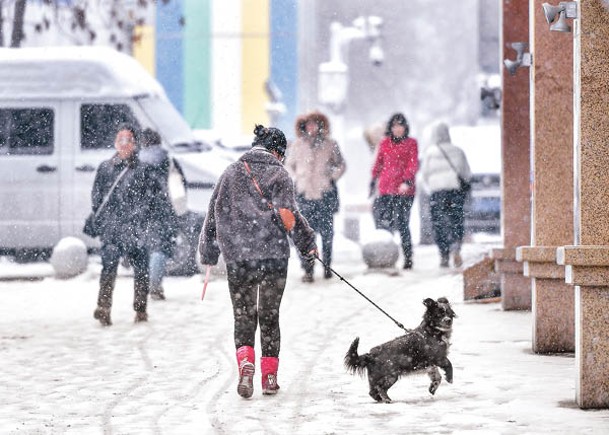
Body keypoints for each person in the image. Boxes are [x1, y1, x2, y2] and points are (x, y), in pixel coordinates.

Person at [199, 124, 317, 399]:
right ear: (277, 151)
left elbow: (213, 213)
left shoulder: (230, 173)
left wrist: (208, 252)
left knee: (243, 315)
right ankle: (270, 377)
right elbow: (288, 214)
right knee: (269, 316)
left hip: (239, 257)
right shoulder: (279, 173)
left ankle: (246, 364)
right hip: (273, 257)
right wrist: (307, 243)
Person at [91, 124, 159, 326]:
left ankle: (140, 309)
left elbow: (151, 199)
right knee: (108, 268)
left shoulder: (144, 170)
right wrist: (105, 221)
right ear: (115, 143)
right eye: (120, 139)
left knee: (141, 269)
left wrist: (140, 219)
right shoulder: (105, 167)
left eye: (128, 139)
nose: (123, 144)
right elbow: (96, 197)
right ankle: (104, 308)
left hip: (135, 228)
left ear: (134, 144)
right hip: (112, 229)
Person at [284, 111, 346, 282]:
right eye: (308, 124)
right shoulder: (297, 145)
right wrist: (297, 179)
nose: (311, 127)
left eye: (315, 124)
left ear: (320, 126)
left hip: (324, 195)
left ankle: (327, 265)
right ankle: (308, 268)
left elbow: (340, 165)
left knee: (327, 234)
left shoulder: (330, 144)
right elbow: (289, 165)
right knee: (305, 235)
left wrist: (331, 176)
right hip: (304, 195)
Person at [370, 113, 419, 269]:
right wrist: (373, 180)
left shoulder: (412, 143)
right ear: (391, 128)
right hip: (386, 189)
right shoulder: (385, 143)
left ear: (405, 127)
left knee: (403, 224)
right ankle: (385, 257)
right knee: (385, 225)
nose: (398, 129)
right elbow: (378, 164)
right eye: (395, 126)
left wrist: (406, 181)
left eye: (401, 125)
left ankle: (408, 257)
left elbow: (413, 164)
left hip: (404, 191)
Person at [419, 121, 472, 268]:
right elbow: (466, 173)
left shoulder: (430, 153)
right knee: (456, 220)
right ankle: (456, 247)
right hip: (454, 191)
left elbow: (424, 175)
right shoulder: (457, 151)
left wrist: (430, 189)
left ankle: (443, 253)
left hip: (437, 193)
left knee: (438, 223)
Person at [138, 128, 181, 301]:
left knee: (144, 247)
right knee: (161, 247)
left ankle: (142, 285)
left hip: (140, 210)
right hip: (163, 208)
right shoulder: (168, 160)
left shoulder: (136, 161)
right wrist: (180, 208)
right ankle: (155, 286)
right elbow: (178, 186)